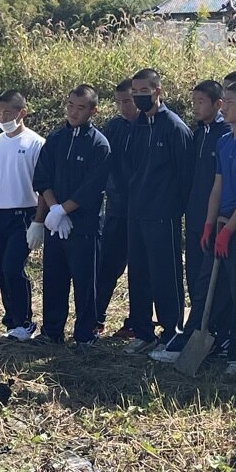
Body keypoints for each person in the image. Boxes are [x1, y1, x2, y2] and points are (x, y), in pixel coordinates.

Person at [158, 79, 236, 366]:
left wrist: (229, 229)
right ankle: (196, 337)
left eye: (231, 103)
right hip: (218, 225)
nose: (226, 108)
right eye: (225, 101)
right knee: (206, 284)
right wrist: (209, 225)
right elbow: (217, 187)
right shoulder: (223, 141)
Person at [33, 85, 111, 346]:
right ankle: (52, 331)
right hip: (56, 223)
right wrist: (54, 210)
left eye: (80, 107)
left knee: (85, 282)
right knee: (54, 278)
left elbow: (92, 186)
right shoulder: (55, 139)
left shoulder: (99, 144)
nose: (74, 112)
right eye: (70, 106)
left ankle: (85, 334)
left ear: (92, 110)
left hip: (84, 225)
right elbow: (42, 177)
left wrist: (65, 209)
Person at [124, 68, 195, 353]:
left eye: (145, 91)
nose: (140, 97)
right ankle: (142, 330)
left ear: (158, 91)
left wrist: (172, 208)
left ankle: (171, 331)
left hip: (163, 214)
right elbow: (130, 166)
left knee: (165, 274)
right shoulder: (136, 126)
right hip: (136, 211)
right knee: (138, 273)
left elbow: (185, 175)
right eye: (135, 92)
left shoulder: (174, 127)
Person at [0, 92, 45, 341]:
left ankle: (24, 321)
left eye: (7, 113)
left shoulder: (36, 143)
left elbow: (44, 186)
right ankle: (11, 319)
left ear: (21, 113)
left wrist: (38, 221)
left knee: (12, 267)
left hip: (23, 215)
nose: (2, 117)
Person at [183, 79, 229, 334]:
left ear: (218, 104)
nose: (196, 107)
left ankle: (205, 329)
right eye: (194, 102)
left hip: (215, 218)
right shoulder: (198, 133)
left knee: (208, 279)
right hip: (194, 216)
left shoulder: (225, 135)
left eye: (201, 102)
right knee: (193, 274)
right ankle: (196, 325)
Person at [94, 79, 136, 334]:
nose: (123, 107)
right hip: (116, 206)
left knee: (141, 271)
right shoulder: (113, 127)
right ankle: (96, 317)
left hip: (144, 209)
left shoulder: (149, 127)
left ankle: (136, 322)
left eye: (128, 101)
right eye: (118, 102)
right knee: (108, 264)